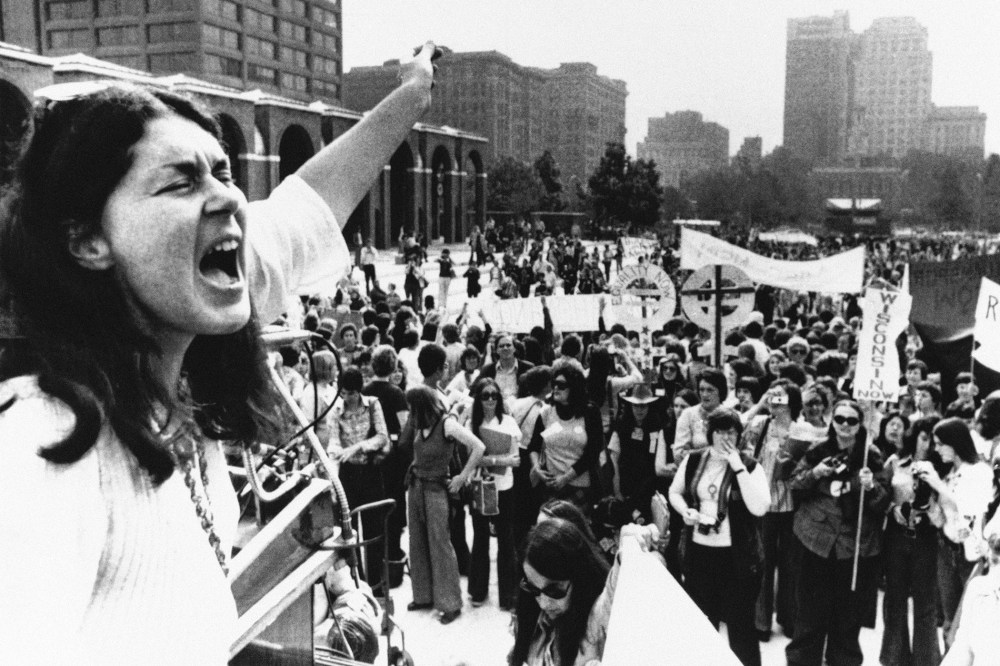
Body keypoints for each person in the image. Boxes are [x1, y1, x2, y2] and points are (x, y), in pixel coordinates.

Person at [0, 42, 438, 664]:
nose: (230, 200)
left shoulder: (178, 326)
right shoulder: (39, 446)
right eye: (181, 181)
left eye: (223, 173)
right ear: (88, 241)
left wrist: (414, 93)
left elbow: (305, 211)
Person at [785, 400, 889, 666]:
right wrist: (816, 472)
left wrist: (872, 485)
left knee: (847, 620)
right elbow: (794, 487)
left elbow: (882, 503)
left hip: (855, 548)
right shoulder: (817, 449)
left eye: (852, 421)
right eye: (840, 419)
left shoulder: (872, 455)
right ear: (832, 420)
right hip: (814, 542)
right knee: (809, 616)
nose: (845, 425)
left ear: (860, 425)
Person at [669, 408, 770, 666]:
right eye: (720, 431)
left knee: (741, 630)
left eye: (731, 432)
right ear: (709, 433)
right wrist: (685, 511)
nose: (725, 437)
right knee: (702, 625)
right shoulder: (693, 460)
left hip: (737, 559)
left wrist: (737, 468)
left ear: (739, 435)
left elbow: (760, 507)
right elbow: (675, 492)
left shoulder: (750, 465)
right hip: (699, 554)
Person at [402, 385, 485, 624]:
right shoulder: (421, 424)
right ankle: (424, 595)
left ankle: (450, 603)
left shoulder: (447, 424)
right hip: (417, 486)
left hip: (437, 488)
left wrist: (462, 477)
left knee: (440, 543)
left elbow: (479, 447)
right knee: (416, 541)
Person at [920, 417, 993, 649]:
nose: (937, 448)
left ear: (956, 443)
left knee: (968, 622)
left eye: (941, 443)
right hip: (946, 549)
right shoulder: (948, 474)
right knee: (950, 622)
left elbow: (972, 507)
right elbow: (943, 519)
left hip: (970, 556)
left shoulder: (980, 471)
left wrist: (938, 485)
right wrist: (928, 503)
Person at [742, 379, 801, 642]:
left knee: (790, 564)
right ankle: (761, 621)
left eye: (781, 397)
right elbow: (739, 425)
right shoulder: (760, 423)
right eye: (773, 396)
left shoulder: (800, 429)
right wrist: (760, 403)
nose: (776, 401)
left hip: (791, 504)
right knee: (763, 563)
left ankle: (788, 617)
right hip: (763, 502)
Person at [880, 416, 942, 666]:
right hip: (896, 536)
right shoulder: (896, 462)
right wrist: (892, 508)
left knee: (925, 602)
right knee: (894, 599)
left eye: (933, 441)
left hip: (926, 538)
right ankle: (895, 658)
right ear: (914, 437)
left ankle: (925, 660)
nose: (928, 446)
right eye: (924, 438)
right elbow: (880, 493)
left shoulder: (941, 469)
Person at [327, 367, 390, 589]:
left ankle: (377, 584)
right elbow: (334, 444)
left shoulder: (373, 404)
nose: (348, 398)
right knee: (349, 533)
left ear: (359, 391)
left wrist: (358, 447)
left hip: (371, 472)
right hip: (348, 475)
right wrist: (333, 477)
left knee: (374, 531)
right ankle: (357, 583)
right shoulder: (335, 412)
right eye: (344, 393)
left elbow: (382, 437)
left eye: (352, 393)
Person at [519, 519, 612, 666]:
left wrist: (631, 547)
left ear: (579, 578)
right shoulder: (533, 616)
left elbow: (615, 587)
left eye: (554, 590)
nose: (543, 603)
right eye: (533, 589)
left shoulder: (596, 620)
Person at [464, 378, 522, 610]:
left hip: (504, 486)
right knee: (480, 538)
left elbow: (516, 459)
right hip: (480, 485)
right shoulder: (471, 423)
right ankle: (478, 590)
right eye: (485, 395)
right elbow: (470, 455)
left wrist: (490, 459)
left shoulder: (508, 422)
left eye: (494, 395)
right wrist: (497, 459)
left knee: (506, 539)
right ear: (478, 399)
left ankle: (508, 595)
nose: (489, 399)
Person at [362, 345, 410, 588]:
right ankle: (392, 561)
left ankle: (372, 568)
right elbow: (405, 429)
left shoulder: (365, 390)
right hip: (393, 462)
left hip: (369, 459)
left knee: (372, 512)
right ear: (393, 366)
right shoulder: (397, 394)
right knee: (393, 510)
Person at [527, 362, 604, 512]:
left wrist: (565, 478)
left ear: (574, 387)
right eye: (554, 383)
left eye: (561, 385)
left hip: (579, 485)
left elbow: (592, 454)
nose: (555, 388)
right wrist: (537, 469)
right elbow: (534, 446)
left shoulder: (590, 412)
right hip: (550, 484)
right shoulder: (547, 412)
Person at [607, 383, 664, 523]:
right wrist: (617, 491)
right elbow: (614, 460)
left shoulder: (657, 425)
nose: (640, 410)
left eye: (643, 406)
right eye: (636, 406)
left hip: (650, 486)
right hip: (626, 485)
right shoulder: (620, 426)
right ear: (630, 406)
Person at [672, 367, 727, 463]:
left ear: (720, 391)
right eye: (701, 389)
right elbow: (678, 454)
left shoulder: (729, 415)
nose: (705, 394)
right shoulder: (688, 415)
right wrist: (709, 452)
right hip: (695, 472)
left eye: (710, 390)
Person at [297, 349, 339, 448]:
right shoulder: (311, 393)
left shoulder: (329, 388)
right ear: (325, 368)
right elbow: (307, 425)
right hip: (319, 448)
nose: (336, 369)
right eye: (334, 366)